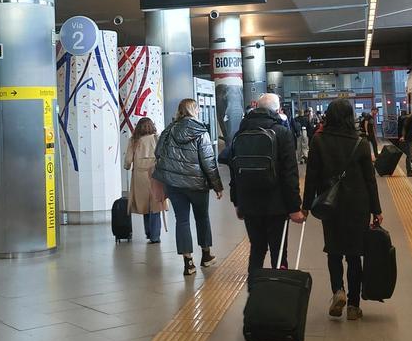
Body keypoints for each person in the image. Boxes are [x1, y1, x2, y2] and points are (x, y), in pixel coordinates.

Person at [303, 99, 383, 320]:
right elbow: (370, 180)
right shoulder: (361, 142)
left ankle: (338, 290)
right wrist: (376, 209)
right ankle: (354, 306)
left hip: (330, 205)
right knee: (354, 255)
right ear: (350, 117)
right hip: (358, 205)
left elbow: (311, 177)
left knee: (334, 251)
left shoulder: (318, 141)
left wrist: (306, 206)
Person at [231, 94, 304, 281]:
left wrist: (237, 202)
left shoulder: (240, 134)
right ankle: (278, 289)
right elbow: (290, 174)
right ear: (277, 110)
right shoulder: (282, 133)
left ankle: (254, 289)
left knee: (257, 249)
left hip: (249, 204)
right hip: (276, 205)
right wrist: (294, 207)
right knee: (278, 252)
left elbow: (234, 171)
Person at [153, 98, 224, 276]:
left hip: (174, 184)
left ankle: (188, 263)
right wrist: (217, 186)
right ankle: (206, 255)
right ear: (194, 110)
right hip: (197, 185)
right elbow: (208, 162)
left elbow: (158, 153)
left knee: (182, 220)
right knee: (202, 218)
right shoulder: (200, 131)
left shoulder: (168, 130)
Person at [124, 117, 166, 244]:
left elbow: (128, 160)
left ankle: (149, 233)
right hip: (155, 175)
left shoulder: (134, 141)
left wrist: (127, 166)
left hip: (139, 176)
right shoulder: (157, 138)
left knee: (145, 206)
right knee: (155, 205)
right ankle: (155, 236)